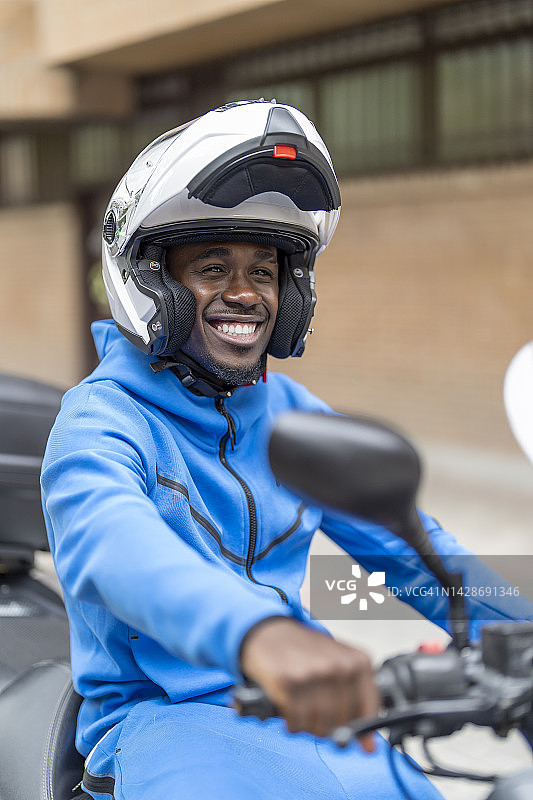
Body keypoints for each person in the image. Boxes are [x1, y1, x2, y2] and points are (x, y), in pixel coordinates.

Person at [41, 100, 531, 800]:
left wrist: (520, 626)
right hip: (165, 724)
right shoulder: (101, 422)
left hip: (304, 712)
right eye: (213, 268)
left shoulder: (289, 411)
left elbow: (420, 555)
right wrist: (261, 636)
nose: (244, 294)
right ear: (152, 281)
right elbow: (114, 547)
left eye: (263, 272)